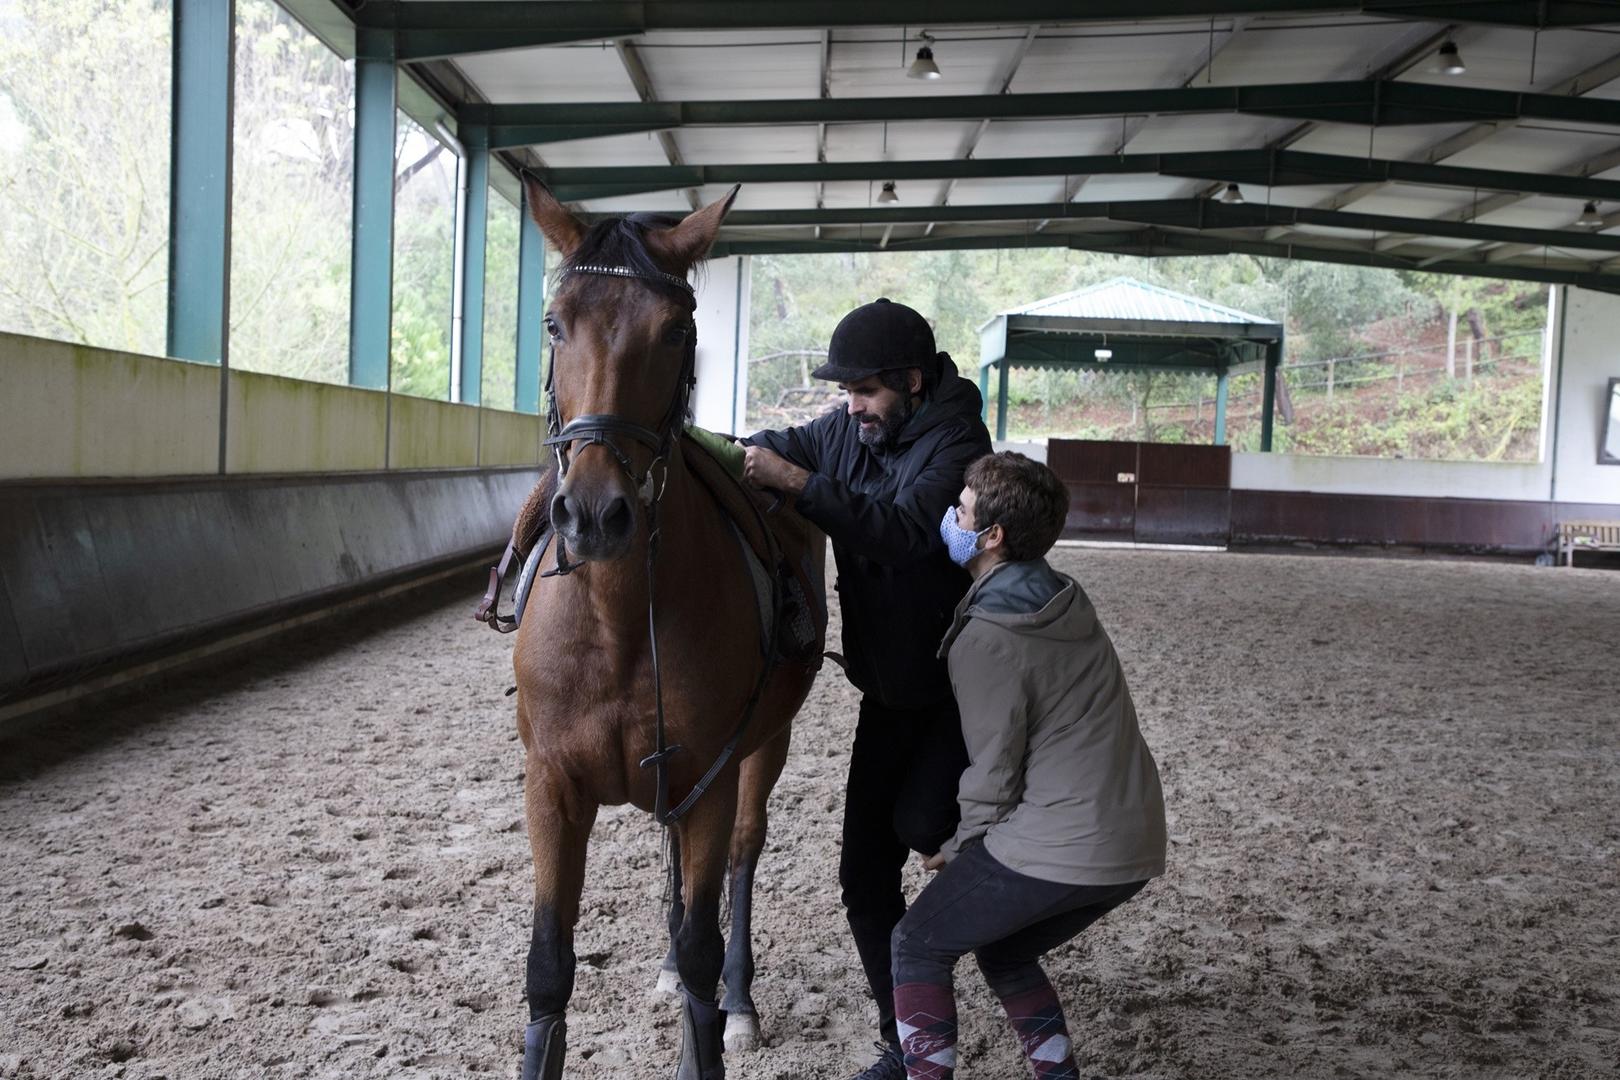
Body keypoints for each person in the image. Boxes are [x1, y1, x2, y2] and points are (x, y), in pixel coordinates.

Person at [741, 298, 992, 1080]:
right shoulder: (847, 430)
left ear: (912, 382)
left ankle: (982, 832)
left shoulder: (959, 441)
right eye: (846, 392)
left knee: (922, 822)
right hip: (888, 692)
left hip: (959, 688)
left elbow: (906, 533)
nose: (852, 407)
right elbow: (771, 447)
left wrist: (799, 485)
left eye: (866, 391)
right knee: (859, 877)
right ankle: (906, 1041)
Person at [889, 451, 1167, 1080]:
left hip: (1063, 841)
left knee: (916, 943)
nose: (949, 515)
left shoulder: (986, 638)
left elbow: (994, 768)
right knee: (1006, 953)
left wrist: (960, 848)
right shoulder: (1067, 596)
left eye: (960, 509)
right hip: (1136, 842)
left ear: (991, 537)